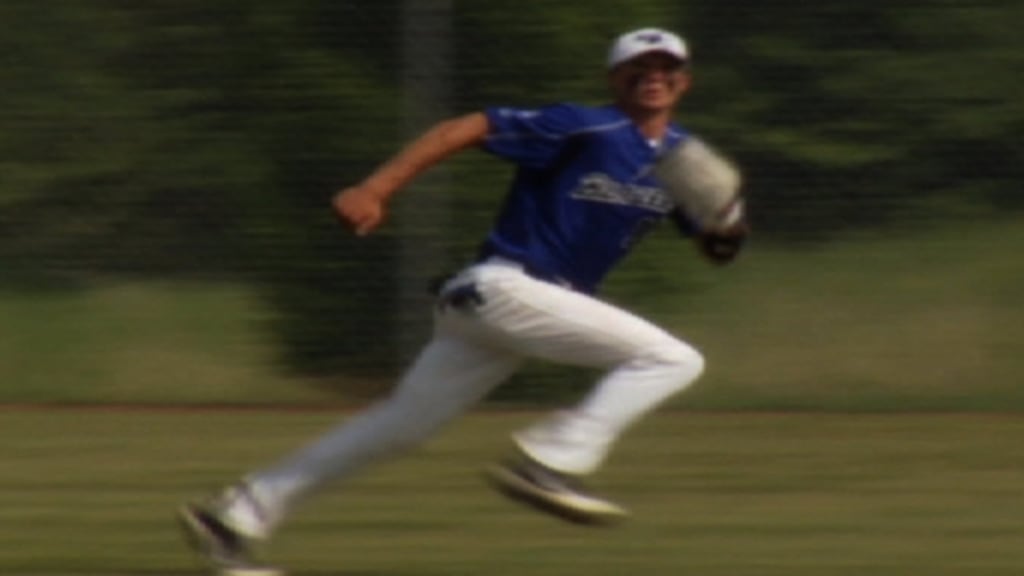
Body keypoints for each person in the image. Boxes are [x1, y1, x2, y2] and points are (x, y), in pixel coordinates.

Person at [179, 27, 748, 576]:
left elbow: (717, 249)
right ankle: (550, 463)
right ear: (614, 78)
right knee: (672, 359)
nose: (652, 77)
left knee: (402, 427)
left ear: (684, 82)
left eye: (665, 68)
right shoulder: (584, 126)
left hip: (507, 308)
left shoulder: (680, 160)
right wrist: (376, 189)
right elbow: (466, 127)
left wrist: (726, 220)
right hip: (508, 287)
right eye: (638, 68)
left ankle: (232, 516)